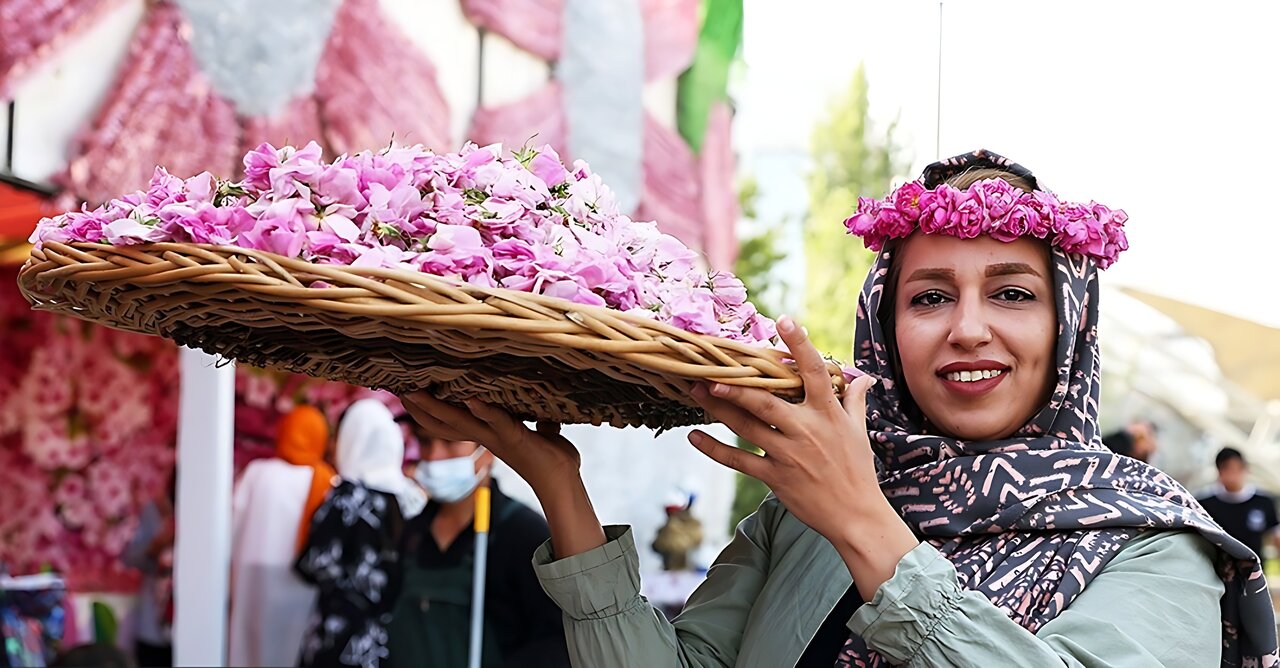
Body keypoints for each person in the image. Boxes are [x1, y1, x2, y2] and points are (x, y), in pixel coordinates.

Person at [403, 149, 1278, 666]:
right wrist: (560, 488)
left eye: (1012, 293)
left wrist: (868, 527)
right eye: (930, 297)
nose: (968, 330)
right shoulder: (804, 515)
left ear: (1070, 326)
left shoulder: (1154, 545)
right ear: (885, 329)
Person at [386, 427, 570, 668]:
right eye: (425, 442)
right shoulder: (410, 533)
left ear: (488, 450)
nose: (433, 455)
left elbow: (556, 641)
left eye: (449, 442)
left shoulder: (524, 534)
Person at [296, 399, 427, 668]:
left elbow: (314, 563)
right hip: (390, 643)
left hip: (341, 640)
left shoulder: (347, 498)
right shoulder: (410, 499)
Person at [228, 405, 333, 667]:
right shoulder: (324, 480)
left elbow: (233, 521)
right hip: (298, 580)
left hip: (251, 574)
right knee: (290, 649)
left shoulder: (258, 472)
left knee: (247, 644)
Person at [121, 476, 175, 668]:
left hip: (194, 619)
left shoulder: (211, 511)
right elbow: (131, 558)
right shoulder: (156, 511)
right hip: (153, 626)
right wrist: (158, 544)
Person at [1197, 447, 1280, 560]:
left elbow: (1275, 536)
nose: (1233, 475)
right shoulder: (1204, 503)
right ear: (1219, 472)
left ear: (1245, 469)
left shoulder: (1263, 502)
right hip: (1218, 569)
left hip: (1254, 569)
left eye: (1237, 469)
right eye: (1228, 469)